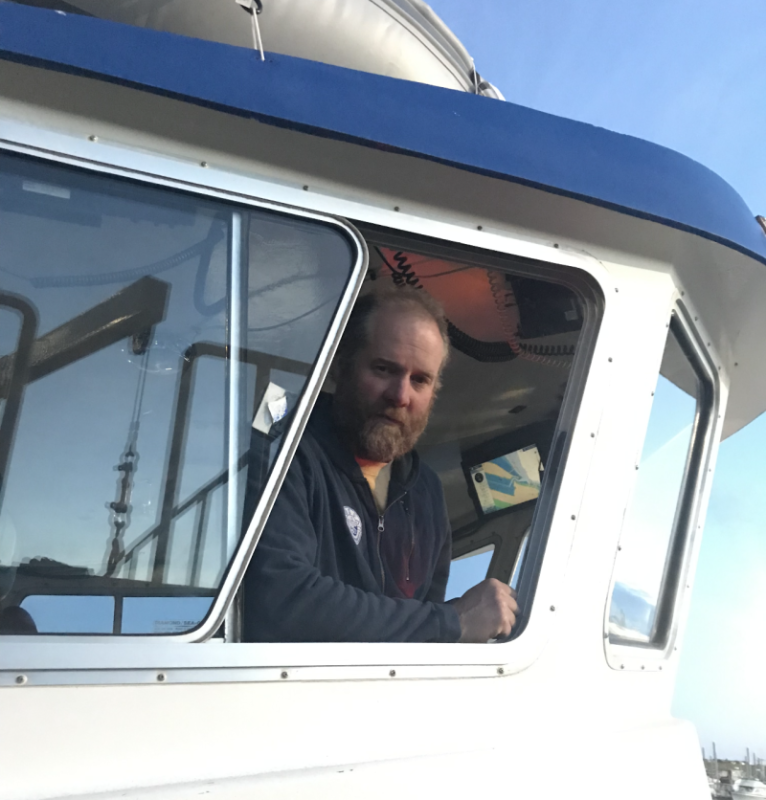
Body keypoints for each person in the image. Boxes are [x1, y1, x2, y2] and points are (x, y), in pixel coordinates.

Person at [243, 286, 518, 642]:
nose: (400, 395)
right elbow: (279, 601)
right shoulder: (285, 446)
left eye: (420, 380)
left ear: (433, 394)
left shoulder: (428, 493)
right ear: (342, 368)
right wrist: (452, 622)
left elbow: (419, 630)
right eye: (384, 369)